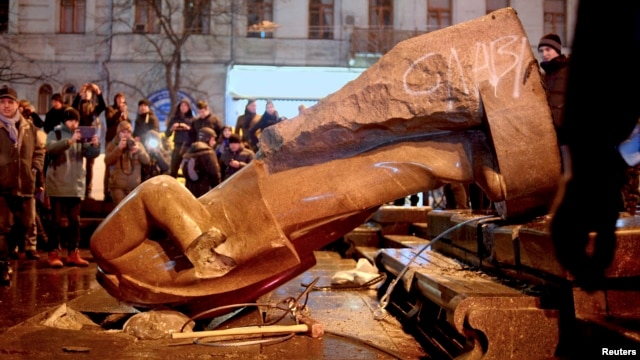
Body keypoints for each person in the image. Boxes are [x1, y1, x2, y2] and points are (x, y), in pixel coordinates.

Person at [45, 107, 100, 268]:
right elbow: (51, 149)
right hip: (57, 184)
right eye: (70, 120)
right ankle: (53, 252)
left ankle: (73, 253)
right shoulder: (54, 133)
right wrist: (70, 141)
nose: (73, 123)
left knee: (74, 221)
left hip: (75, 184)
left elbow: (89, 154)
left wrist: (95, 146)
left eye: (76, 120)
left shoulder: (80, 135)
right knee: (55, 221)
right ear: (64, 121)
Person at [0, 86, 45, 283]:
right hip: (2, 186)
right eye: (2, 102)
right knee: (3, 228)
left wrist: (35, 168)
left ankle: (5, 257)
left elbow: (38, 151)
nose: (6, 106)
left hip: (25, 185)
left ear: (17, 104)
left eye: (10, 102)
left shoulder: (29, 128)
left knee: (25, 225)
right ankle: (2, 264)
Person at [71, 83, 106, 199]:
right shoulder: (78, 106)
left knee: (90, 166)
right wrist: (78, 94)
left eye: (88, 93)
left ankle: (88, 191)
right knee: (77, 164)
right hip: (79, 137)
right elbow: (72, 108)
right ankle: (77, 190)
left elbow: (103, 106)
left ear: (91, 95)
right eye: (85, 92)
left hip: (91, 137)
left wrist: (98, 92)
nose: (86, 94)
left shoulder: (94, 107)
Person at [105, 121, 150, 205]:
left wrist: (138, 151)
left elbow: (146, 160)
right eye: (123, 132)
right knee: (121, 212)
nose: (126, 134)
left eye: (128, 132)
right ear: (118, 133)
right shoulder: (112, 145)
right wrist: (118, 149)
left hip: (134, 188)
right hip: (118, 187)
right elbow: (107, 161)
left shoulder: (137, 144)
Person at [538, 33, 570, 147]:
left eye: (548, 49)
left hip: (566, 137)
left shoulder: (567, 71)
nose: (544, 54)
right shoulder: (544, 76)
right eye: (541, 51)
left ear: (557, 50)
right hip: (550, 135)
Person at [181, 127, 221, 197]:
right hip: (205, 190)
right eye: (213, 139)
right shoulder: (209, 153)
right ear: (207, 139)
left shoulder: (189, 150)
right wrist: (218, 189)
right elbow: (214, 173)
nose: (214, 142)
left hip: (190, 190)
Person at [104, 92, 129, 201]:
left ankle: (120, 189)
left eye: (122, 100)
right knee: (110, 166)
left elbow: (127, 126)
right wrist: (119, 112)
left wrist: (125, 116)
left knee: (121, 166)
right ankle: (107, 191)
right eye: (118, 99)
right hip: (111, 141)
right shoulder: (111, 109)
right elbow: (110, 121)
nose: (120, 102)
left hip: (122, 142)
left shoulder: (124, 113)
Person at [165, 98, 194, 178]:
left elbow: (195, 135)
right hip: (177, 146)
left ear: (189, 107)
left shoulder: (193, 120)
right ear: (179, 107)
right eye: (182, 105)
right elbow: (167, 134)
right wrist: (172, 128)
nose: (183, 107)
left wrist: (188, 128)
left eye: (185, 105)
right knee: (173, 169)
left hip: (188, 147)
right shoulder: (174, 119)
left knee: (188, 170)